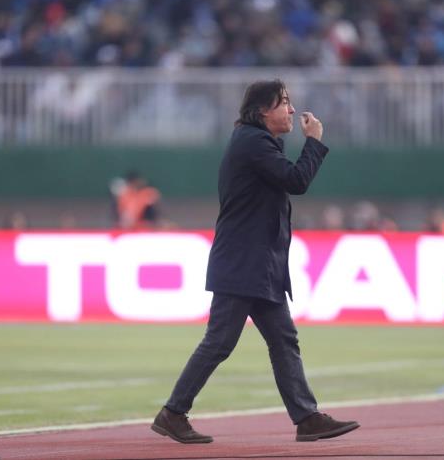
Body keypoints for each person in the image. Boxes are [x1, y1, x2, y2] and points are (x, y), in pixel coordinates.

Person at [151, 80, 359, 444]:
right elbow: (296, 181)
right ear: (263, 110)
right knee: (220, 342)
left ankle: (307, 418)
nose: (291, 110)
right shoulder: (252, 142)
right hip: (244, 263)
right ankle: (172, 413)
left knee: (283, 340)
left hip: (259, 264)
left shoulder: (258, 142)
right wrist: (314, 142)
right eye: (284, 103)